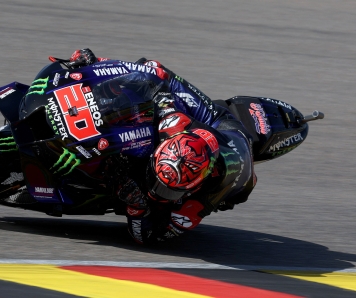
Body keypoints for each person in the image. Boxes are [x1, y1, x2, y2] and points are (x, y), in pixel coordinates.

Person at [57, 49, 257, 244]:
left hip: (232, 150)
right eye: (157, 181)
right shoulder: (173, 123)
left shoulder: (198, 203)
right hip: (211, 125)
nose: (155, 189)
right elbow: (152, 71)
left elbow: (149, 237)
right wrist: (95, 64)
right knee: (146, 75)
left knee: (237, 195)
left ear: (196, 185)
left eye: (167, 189)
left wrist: (137, 209)